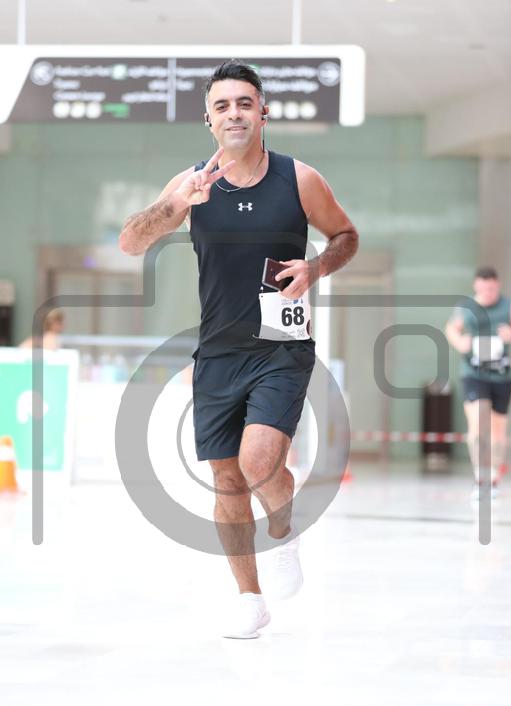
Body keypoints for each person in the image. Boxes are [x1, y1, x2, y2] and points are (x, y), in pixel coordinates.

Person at [119, 59, 359, 637]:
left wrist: (317, 267)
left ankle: (283, 530)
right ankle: (250, 599)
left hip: (282, 345)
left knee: (258, 461)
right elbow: (130, 242)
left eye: (245, 103)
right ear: (209, 119)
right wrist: (178, 205)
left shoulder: (299, 179)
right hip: (218, 350)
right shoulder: (190, 183)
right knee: (227, 479)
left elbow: (346, 236)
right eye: (222, 105)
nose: (234, 114)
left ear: (263, 113)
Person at [445, 267, 511, 500]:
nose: (488, 293)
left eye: (492, 289)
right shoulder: (466, 307)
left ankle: (493, 477)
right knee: (478, 422)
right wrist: (460, 341)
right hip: (474, 373)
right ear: (476, 287)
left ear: (497, 286)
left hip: (501, 375)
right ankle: (480, 478)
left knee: (498, 430)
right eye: (484, 289)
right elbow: (451, 329)